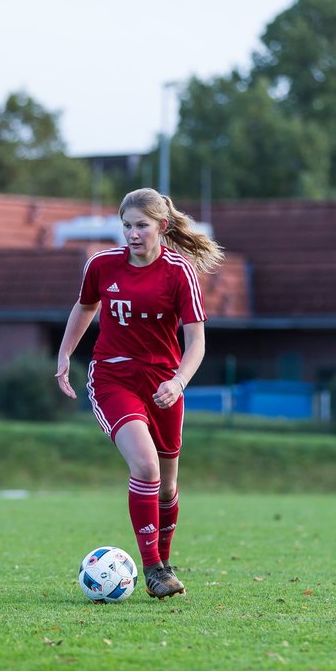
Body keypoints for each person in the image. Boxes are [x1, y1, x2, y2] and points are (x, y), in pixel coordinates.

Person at [55, 188, 224, 599]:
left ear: (161, 227)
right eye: (126, 226)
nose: (132, 234)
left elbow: (197, 343)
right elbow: (85, 308)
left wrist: (178, 381)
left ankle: (163, 562)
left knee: (167, 487)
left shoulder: (179, 272)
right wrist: (64, 355)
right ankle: (151, 569)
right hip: (113, 379)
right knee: (145, 466)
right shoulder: (101, 265)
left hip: (165, 385)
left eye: (141, 226)